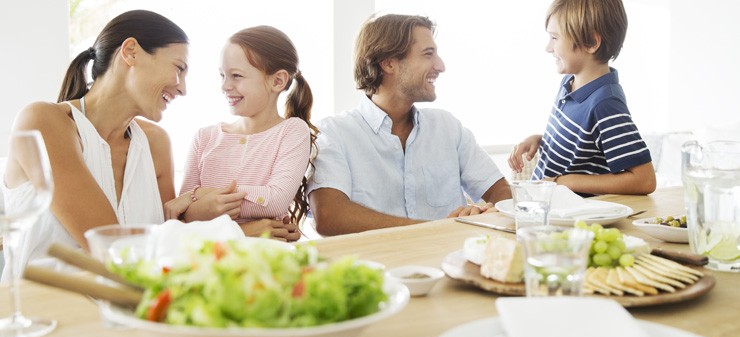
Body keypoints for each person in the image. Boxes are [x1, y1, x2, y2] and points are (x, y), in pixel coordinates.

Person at [2, 10, 188, 277]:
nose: (183, 88)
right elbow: (110, 246)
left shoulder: (156, 143)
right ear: (131, 51)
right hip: (48, 313)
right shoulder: (44, 121)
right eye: (179, 68)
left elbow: (165, 243)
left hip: (127, 312)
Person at [307, 14, 511, 236]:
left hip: (448, 263)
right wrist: (436, 230)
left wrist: (490, 212)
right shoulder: (333, 133)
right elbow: (328, 216)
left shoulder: (447, 127)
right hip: (376, 267)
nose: (440, 66)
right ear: (389, 63)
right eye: (428, 54)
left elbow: (501, 191)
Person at [164, 26, 317, 242]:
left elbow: (275, 200)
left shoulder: (292, 131)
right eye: (222, 75)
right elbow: (182, 217)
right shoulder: (204, 138)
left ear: (277, 81)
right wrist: (242, 228)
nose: (225, 86)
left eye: (236, 76)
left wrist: (200, 197)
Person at [508, 0, 656, 196]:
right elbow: (584, 146)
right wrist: (541, 140)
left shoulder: (606, 104)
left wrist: (566, 182)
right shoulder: (569, 83)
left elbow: (644, 181)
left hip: (575, 220)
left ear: (591, 43)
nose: (548, 48)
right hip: (545, 208)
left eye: (554, 38)